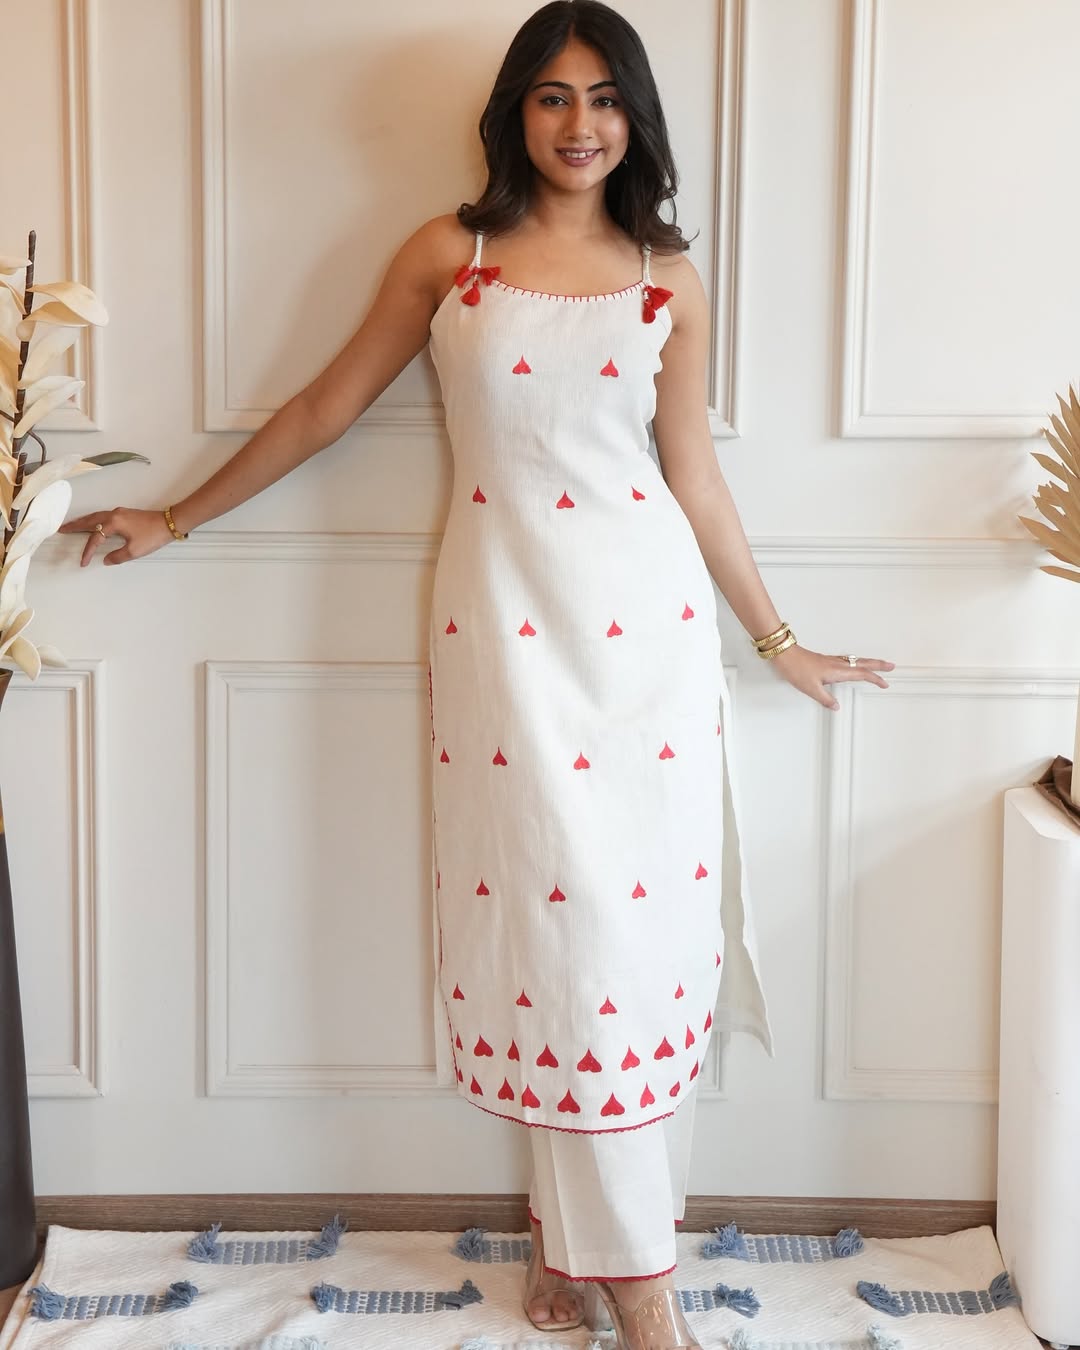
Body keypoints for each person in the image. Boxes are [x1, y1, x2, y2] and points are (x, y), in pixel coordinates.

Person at [61, 3, 894, 1345]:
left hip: (651, 651)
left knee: (634, 951)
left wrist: (776, 637)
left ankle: (606, 1260)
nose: (581, 124)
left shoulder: (667, 275)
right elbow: (324, 408)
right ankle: (625, 1276)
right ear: (515, 112)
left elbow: (693, 476)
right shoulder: (452, 256)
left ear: (636, 118)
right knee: (560, 942)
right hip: (505, 643)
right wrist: (175, 516)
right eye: (554, 96)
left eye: (605, 98)